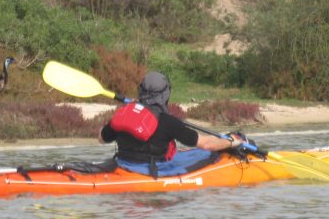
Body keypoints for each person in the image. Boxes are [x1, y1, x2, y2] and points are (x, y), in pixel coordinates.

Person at [99, 71, 243, 174]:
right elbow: (206, 144)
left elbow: (101, 139)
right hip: (148, 171)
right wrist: (231, 141)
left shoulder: (124, 113)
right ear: (165, 95)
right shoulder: (168, 122)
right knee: (207, 154)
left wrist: (134, 110)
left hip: (124, 164)